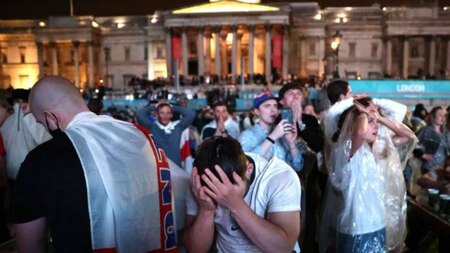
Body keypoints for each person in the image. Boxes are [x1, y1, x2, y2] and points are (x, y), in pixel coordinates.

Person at [14, 76, 177, 252]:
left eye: (41, 124)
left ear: (51, 117)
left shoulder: (39, 160)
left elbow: (29, 245)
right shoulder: (140, 136)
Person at [183, 136, 301, 252]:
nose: (221, 195)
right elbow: (194, 249)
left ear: (249, 169)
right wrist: (206, 210)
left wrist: (235, 204)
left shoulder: (280, 177)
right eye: (215, 192)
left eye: (229, 190)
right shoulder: (200, 181)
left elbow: (283, 248)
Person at [329, 97, 412, 252]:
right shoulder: (347, 150)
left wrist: (378, 117)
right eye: (370, 122)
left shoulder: (375, 148)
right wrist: (363, 114)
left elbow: (407, 136)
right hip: (358, 227)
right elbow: (359, 133)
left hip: (379, 223)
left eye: (376, 122)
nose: (377, 126)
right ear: (355, 124)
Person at [238, 92, 303, 171]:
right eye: (267, 106)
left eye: (275, 106)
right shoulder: (247, 135)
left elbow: (298, 166)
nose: (273, 110)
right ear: (257, 111)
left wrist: (291, 143)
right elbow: (246, 164)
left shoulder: (282, 135)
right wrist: (273, 136)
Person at [136, 99, 195, 167]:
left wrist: (173, 107)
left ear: (171, 115)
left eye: (168, 113)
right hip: (159, 167)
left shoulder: (178, 127)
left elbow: (191, 114)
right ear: (157, 115)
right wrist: (155, 106)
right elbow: (139, 113)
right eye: (162, 113)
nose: (165, 116)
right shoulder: (152, 127)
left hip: (176, 167)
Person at [416, 106, 449, 173]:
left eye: (444, 115)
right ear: (433, 116)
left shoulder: (446, 133)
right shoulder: (425, 130)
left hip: (443, 168)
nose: (443, 118)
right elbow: (413, 144)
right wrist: (422, 155)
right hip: (428, 167)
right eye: (440, 115)